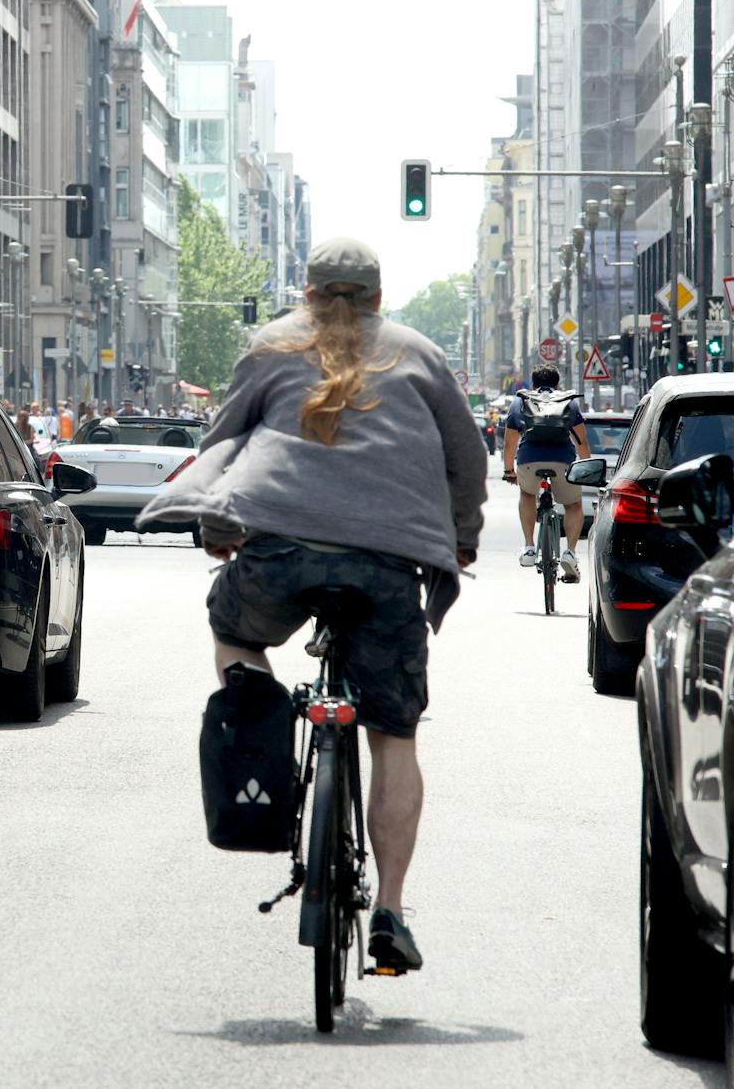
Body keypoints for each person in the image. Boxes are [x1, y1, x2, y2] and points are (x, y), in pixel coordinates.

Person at [138, 237, 486, 975]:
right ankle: (390, 907)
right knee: (393, 734)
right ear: (378, 299)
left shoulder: (269, 346)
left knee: (232, 628)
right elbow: (469, 459)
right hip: (390, 564)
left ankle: (257, 703)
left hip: (281, 554)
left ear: (307, 293)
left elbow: (224, 443)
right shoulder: (420, 354)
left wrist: (219, 528)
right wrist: (462, 538)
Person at [500, 363, 591, 581]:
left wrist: (508, 470)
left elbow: (509, 442)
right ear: (557, 384)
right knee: (573, 505)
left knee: (527, 494)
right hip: (563, 461)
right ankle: (569, 552)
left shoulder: (521, 400)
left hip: (529, 460)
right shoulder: (568, 401)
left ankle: (530, 547)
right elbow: (582, 442)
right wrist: (586, 467)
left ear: (533, 383)